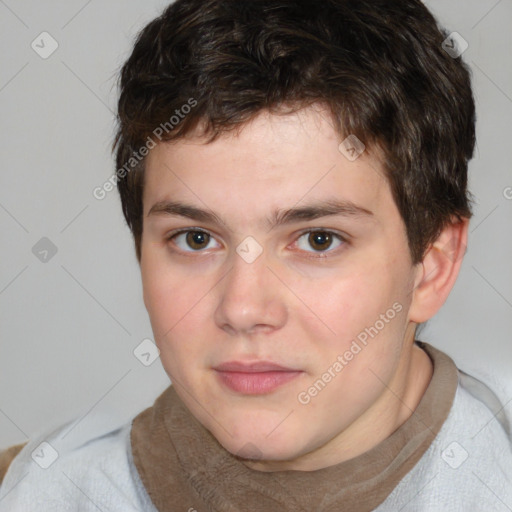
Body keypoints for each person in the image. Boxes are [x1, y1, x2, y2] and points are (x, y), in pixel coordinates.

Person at [1, 0, 511, 510]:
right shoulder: (40, 494)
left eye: (318, 240)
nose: (243, 309)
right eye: (196, 239)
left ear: (434, 266)